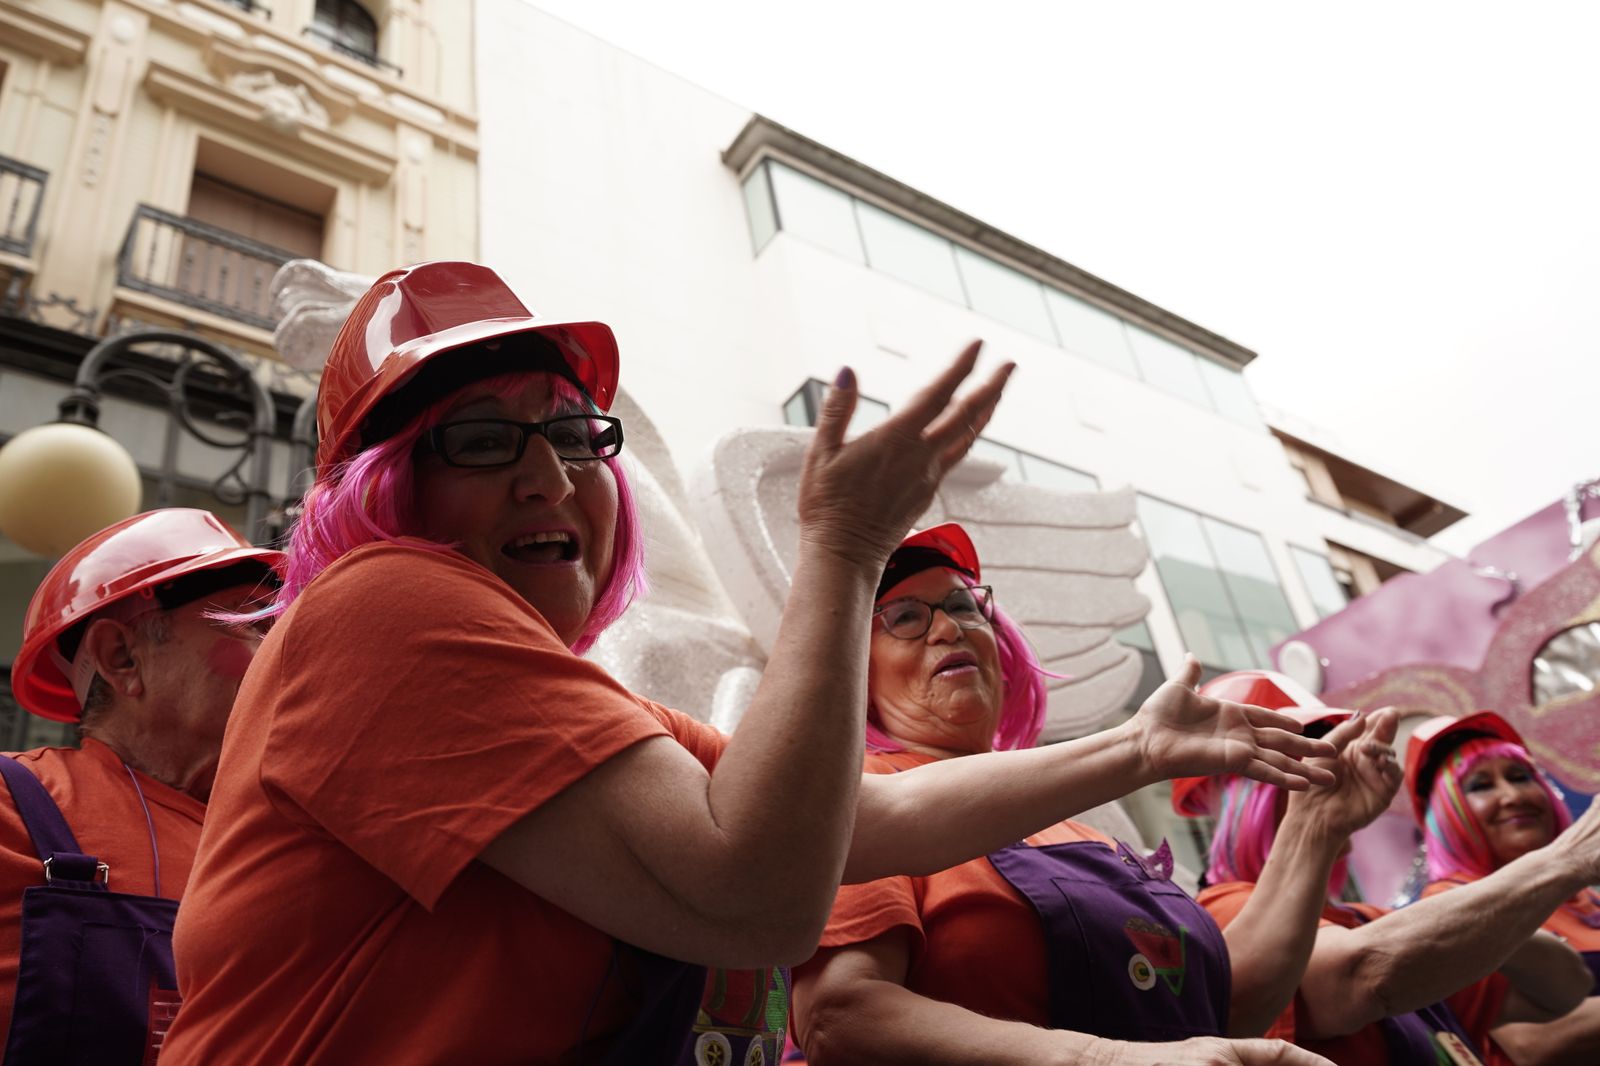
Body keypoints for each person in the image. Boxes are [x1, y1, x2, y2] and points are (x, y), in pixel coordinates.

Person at [161, 261, 1336, 1066]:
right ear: (381, 489)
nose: (547, 475)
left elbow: (854, 816)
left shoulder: (575, 699)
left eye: (572, 434)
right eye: (480, 438)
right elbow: (761, 898)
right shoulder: (389, 598)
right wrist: (843, 548)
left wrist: (1138, 743)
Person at [791, 524, 1359, 1065]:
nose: (950, 629)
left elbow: (1221, 1015)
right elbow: (839, 1019)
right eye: (906, 617)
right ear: (856, 673)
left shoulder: (1086, 832)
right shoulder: (862, 798)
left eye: (965, 606)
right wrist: (1108, 1059)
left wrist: (1317, 825)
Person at [1188, 673, 1598, 1066]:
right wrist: (1561, 863)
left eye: (1333, 754)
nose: (1338, 773)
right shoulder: (1223, 911)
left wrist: (1483, 921)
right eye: (1312, 758)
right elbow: (1360, 976)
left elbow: (1564, 989)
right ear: (1249, 800)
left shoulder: (1365, 920)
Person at [1, 508, 283, 1063]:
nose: (286, 653)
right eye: (256, 626)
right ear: (122, 657)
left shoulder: (289, 835)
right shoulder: (11, 805)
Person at [1410, 711, 1600, 1065]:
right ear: (1447, 813)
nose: (1513, 795)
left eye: (1520, 777)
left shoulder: (1587, 896)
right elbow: (1532, 1043)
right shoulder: (1453, 905)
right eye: (1481, 785)